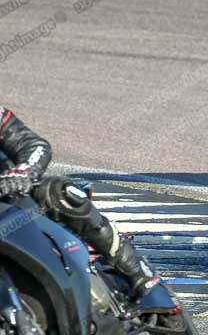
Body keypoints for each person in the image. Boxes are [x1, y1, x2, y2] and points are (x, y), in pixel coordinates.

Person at [0, 107, 159, 297]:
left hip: (11, 198)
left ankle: (133, 266)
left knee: (56, 192)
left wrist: (24, 172)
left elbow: (34, 145)